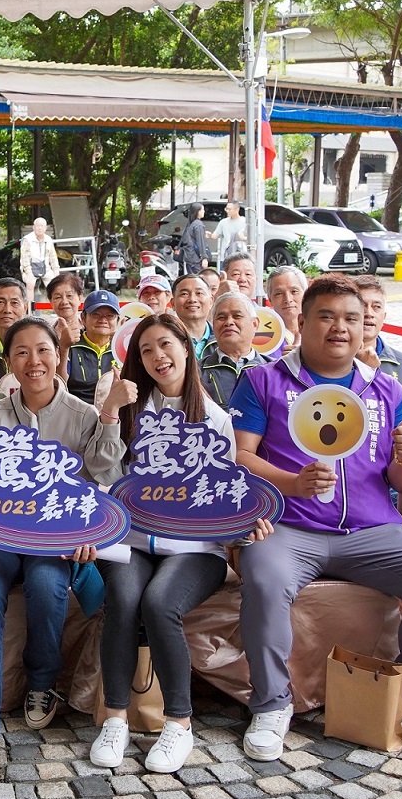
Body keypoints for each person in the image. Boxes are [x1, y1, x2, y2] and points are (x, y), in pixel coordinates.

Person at [229, 274, 402, 762]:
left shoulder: (385, 389)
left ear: (366, 328)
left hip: (370, 531)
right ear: (302, 321)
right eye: (327, 316)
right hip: (291, 529)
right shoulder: (263, 380)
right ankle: (273, 704)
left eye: (352, 319)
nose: (340, 328)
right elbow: (241, 456)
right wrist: (292, 483)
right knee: (264, 577)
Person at [85, 314, 266, 773]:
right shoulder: (129, 407)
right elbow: (102, 474)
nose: (158, 357)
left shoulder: (216, 419)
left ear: (187, 347)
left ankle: (178, 724)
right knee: (123, 598)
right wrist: (109, 411)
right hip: (134, 541)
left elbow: (224, 496)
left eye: (166, 345)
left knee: (161, 602)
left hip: (195, 550)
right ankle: (116, 718)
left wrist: (248, 524)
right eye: (146, 350)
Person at [0, 316, 101, 777]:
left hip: (51, 538)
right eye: (21, 352)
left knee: (45, 583)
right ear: (9, 361)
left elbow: (102, 482)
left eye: (43, 350)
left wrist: (86, 535)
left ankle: (42, 679)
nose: (33, 361)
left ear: (58, 356)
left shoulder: (83, 416)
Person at [353, 275, 402, 393]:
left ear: (384, 316)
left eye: (376, 307)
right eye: (362, 305)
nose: (369, 313)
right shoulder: (330, 360)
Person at [199, 291, 263, 406]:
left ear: (254, 324)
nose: (228, 322)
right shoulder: (196, 371)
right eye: (221, 317)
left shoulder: (273, 370)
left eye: (237, 316)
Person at [63, 290, 119, 405]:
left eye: (110, 315)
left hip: (114, 413)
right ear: (83, 318)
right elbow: (60, 384)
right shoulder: (71, 345)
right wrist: (63, 347)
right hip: (76, 412)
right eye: (96, 314)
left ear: (117, 320)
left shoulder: (121, 348)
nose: (103, 320)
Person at [20, 218, 60, 307]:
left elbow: (53, 256)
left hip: (45, 267)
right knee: (30, 284)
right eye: (38, 226)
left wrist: (56, 271)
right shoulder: (27, 239)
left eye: (42, 226)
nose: (40, 228)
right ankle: (30, 310)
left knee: (55, 284)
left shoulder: (48, 239)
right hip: (30, 267)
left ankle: (56, 308)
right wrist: (29, 273)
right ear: (33, 227)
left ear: (46, 228)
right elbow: (24, 258)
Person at [171, 274, 214, 358]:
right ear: (173, 303)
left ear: (211, 301)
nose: (192, 299)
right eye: (184, 294)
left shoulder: (223, 337)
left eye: (199, 293)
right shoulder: (166, 340)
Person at [266, 266, 307, 349]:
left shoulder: (318, 331)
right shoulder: (264, 337)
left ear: (306, 294)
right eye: (279, 293)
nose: (288, 299)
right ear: (270, 298)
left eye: (294, 291)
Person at [179, 203, 209, 275]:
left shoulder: (190, 224)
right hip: (196, 259)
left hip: (189, 257)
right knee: (200, 280)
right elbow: (201, 242)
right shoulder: (198, 225)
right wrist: (204, 258)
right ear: (198, 211)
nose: (204, 211)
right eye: (202, 210)